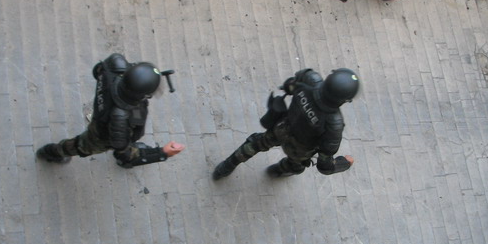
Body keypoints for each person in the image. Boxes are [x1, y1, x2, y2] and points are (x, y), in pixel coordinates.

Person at [36, 53, 184, 167]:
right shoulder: (121, 119)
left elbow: (98, 70)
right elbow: (124, 151)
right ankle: (52, 152)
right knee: (81, 146)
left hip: (103, 115)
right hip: (100, 135)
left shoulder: (115, 64)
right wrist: (163, 153)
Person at [212, 67, 359, 179]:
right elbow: (324, 166)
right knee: (296, 166)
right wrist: (344, 163)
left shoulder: (310, 79)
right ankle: (277, 171)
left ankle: (226, 166)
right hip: (300, 150)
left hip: (281, 127)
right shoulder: (334, 124)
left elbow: (289, 85)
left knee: (255, 144)